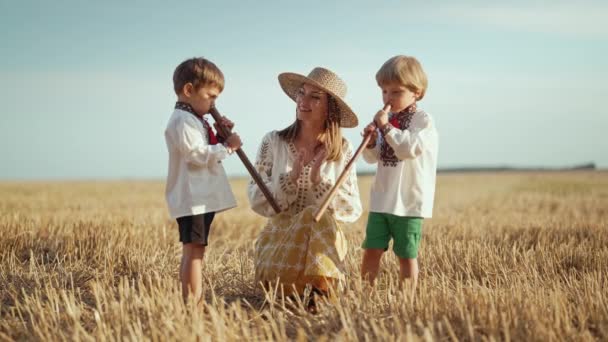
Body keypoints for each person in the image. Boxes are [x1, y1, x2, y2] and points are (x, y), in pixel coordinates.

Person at [248, 67, 362, 306]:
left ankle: (320, 295)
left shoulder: (344, 150)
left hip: (323, 255)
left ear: (330, 108)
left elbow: (352, 209)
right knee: (310, 216)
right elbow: (255, 198)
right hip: (280, 246)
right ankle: (299, 293)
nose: (302, 101)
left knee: (318, 218)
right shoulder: (273, 142)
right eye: (301, 93)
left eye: (315, 97)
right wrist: (290, 179)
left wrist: (320, 180)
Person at [360, 55, 439, 299]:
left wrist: (385, 128)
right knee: (371, 249)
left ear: (417, 92)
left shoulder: (422, 121)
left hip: (408, 202)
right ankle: (365, 294)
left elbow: (407, 149)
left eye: (396, 92)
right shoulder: (389, 121)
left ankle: (406, 298)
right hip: (382, 198)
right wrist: (371, 142)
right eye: (384, 91)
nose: (387, 98)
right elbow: (373, 159)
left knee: (406, 254)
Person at [164, 57, 242, 303]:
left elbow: (205, 149)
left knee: (198, 250)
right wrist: (228, 147)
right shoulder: (182, 121)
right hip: (192, 199)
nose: (214, 103)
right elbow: (196, 155)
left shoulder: (195, 120)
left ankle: (193, 301)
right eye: (211, 96)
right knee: (194, 252)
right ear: (189, 90)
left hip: (201, 198)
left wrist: (220, 136)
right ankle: (192, 304)